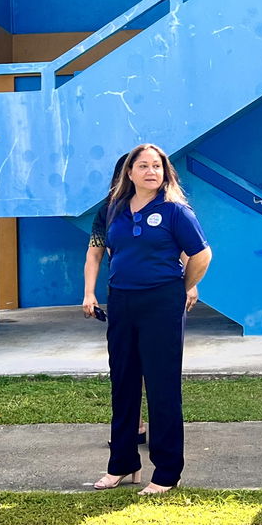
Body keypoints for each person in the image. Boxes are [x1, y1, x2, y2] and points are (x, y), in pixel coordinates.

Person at [86, 143, 211, 494]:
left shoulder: (175, 211)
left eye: (157, 166)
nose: (151, 171)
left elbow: (202, 255)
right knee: (123, 383)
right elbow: (104, 251)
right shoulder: (114, 210)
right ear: (130, 172)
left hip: (162, 302)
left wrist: (180, 288)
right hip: (122, 301)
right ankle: (122, 464)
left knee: (162, 387)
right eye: (143, 166)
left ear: (165, 172)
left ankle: (168, 472)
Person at [83, 153, 146, 445]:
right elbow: (94, 253)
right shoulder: (108, 211)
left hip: (160, 296)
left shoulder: (165, 206)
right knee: (124, 365)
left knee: (157, 367)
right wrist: (89, 293)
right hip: (122, 295)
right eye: (138, 167)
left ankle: (160, 431)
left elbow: (185, 248)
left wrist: (190, 286)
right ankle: (132, 428)